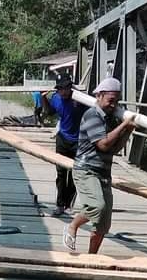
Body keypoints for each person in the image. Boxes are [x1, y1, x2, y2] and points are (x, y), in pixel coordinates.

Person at [62, 77, 136, 254]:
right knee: (97, 207)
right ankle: (71, 226)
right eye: (111, 101)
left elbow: (113, 148)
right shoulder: (92, 115)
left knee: (103, 222)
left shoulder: (109, 118)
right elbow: (102, 144)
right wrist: (124, 125)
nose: (114, 105)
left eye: (117, 101)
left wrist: (128, 131)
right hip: (86, 170)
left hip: (103, 172)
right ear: (100, 96)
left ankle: (92, 257)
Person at [41, 73, 88, 216]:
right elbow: (49, 112)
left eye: (65, 88)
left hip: (78, 140)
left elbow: (94, 111)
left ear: (70, 87)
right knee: (61, 173)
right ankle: (60, 204)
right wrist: (43, 99)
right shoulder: (56, 98)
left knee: (75, 174)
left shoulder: (80, 100)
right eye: (60, 89)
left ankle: (68, 204)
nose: (63, 92)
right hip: (62, 139)